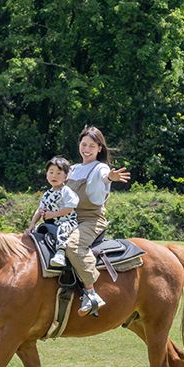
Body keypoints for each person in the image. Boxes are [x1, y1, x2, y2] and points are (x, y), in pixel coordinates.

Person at [62, 126, 131, 316]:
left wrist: (111, 177)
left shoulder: (101, 168)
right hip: (68, 218)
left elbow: (103, 177)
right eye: (84, 144)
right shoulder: (73, 169)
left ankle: (91, 294)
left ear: (99, 148)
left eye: (92, 145)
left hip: (91, 220)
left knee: (73, 246)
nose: (87, 149)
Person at [28, 156, 79, 269]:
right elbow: (39, 210)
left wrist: (53, 214)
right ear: (46, 174)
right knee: (37, 231)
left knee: (62, 230)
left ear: (66, 176)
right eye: (51, 172)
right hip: (52, 223)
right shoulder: (47, 194)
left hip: (67, 221)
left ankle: (60, 253)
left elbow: (69, 208)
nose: (54, 176)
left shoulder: (66, 191)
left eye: (58, 173)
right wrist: (32, 225)